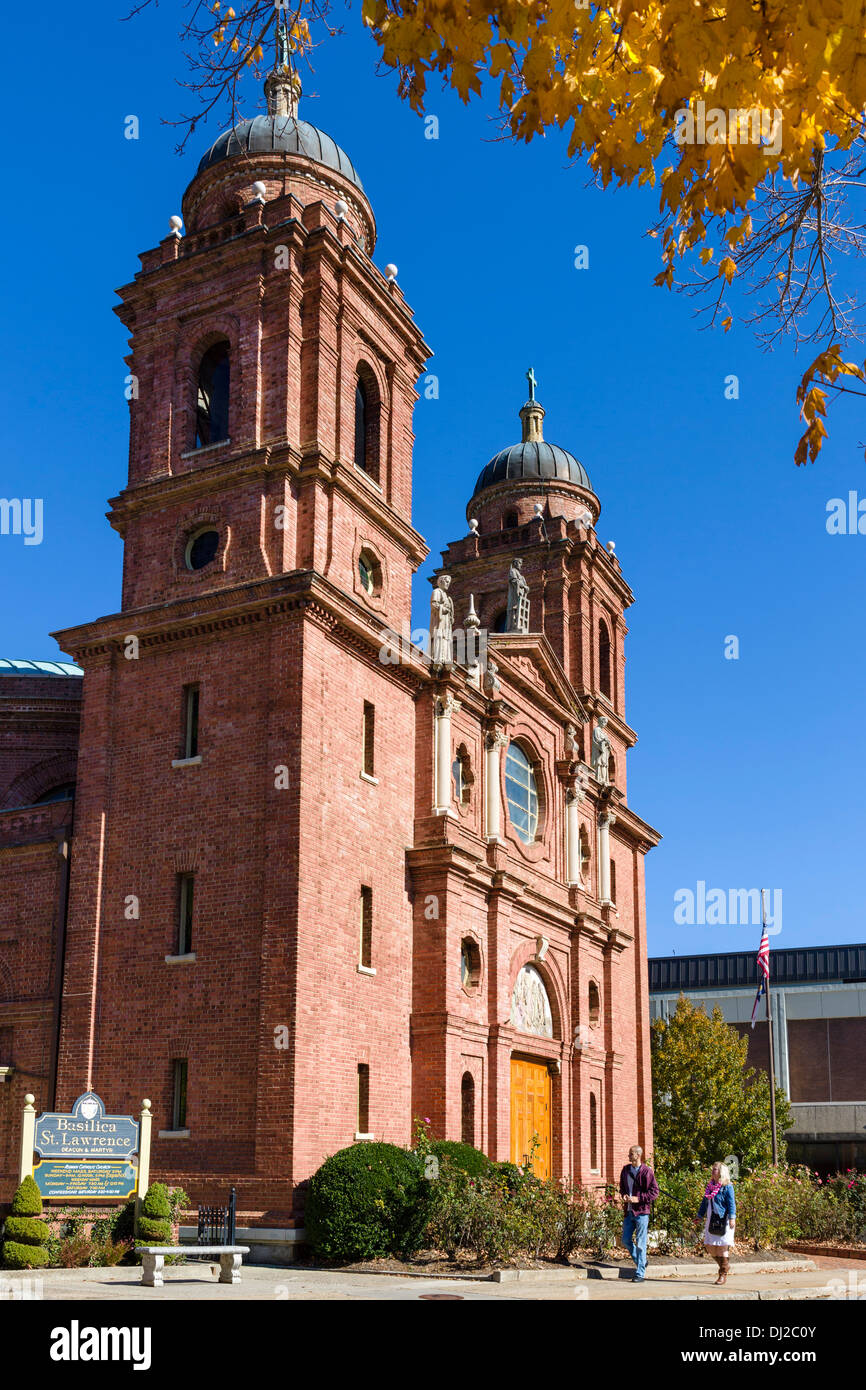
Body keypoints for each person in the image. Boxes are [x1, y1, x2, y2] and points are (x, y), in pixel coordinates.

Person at [619, 1145, 659, 1283]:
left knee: (641, 1243)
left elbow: (654, 1192)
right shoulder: (625, 1170)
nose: (628, 1156)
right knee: (625, 1240)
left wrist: (639, 1198)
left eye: (631, 1154)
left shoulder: (647, 1172)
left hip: (642, 1212)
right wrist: (624, 1196)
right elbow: (622, 1188)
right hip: (629, 1211)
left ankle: (640, 1273)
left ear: (637, 1155)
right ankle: (641, 1261)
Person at [698, 1161, 737, 1285]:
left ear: (721, 1172)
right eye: (713, 1168)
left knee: (721, 1248)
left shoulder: (727, 1186)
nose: (712, 1171)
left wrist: (732, 1218)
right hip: (711, 1220)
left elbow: (731, 1204)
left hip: (724, 1220)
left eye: (715, 1169)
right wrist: (699, 1215)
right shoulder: (710, 1186)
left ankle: (722, 1273)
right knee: (709, 1247)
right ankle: (725, 1266)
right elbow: (704, 1203)